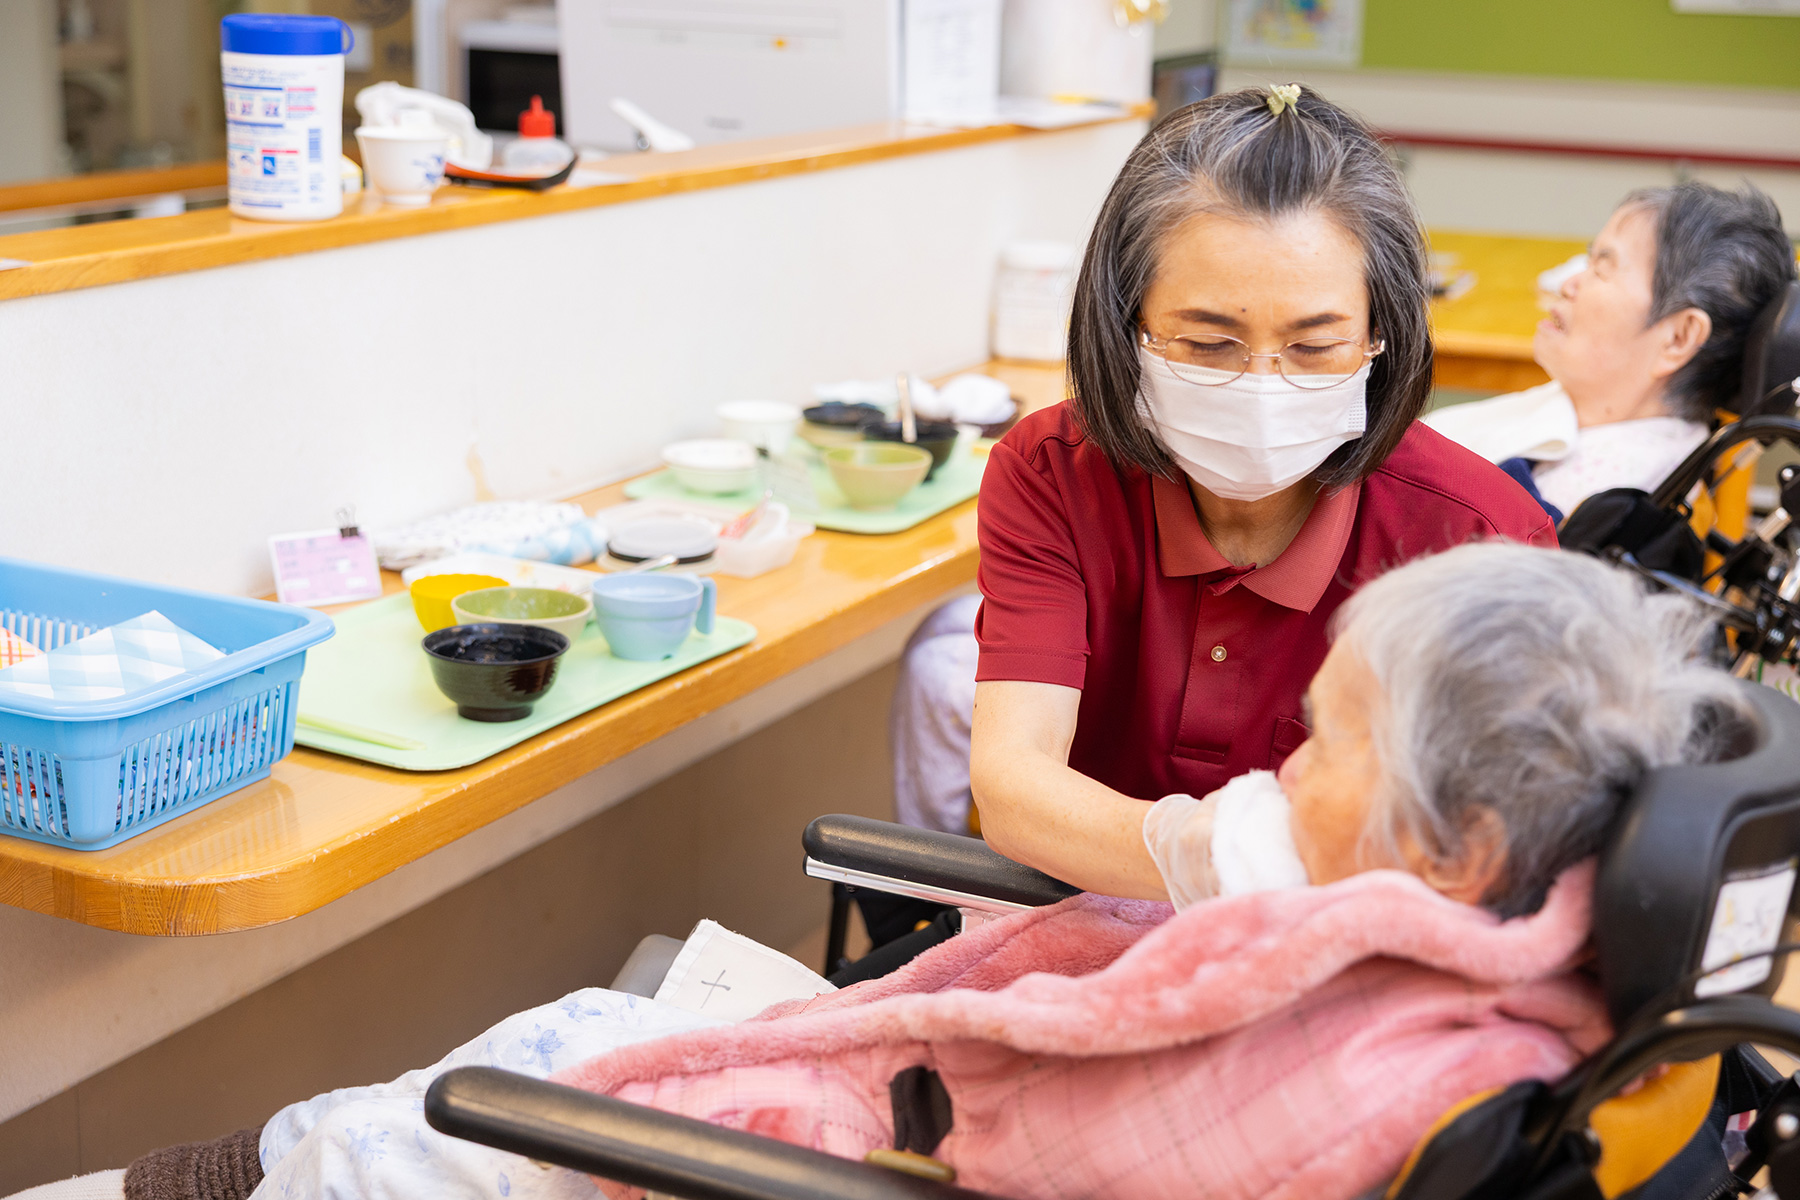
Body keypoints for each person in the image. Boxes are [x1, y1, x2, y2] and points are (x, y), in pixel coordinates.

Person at [37, 542, 1743, 1200]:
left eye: (1330, 738)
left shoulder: (1341, 1052)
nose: (1283, 760)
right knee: (510, 1052)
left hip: (792, 1151)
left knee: (435, 1117)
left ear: (1463, 845)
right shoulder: (1506, 991)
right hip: (876, 1069)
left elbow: (1032, 1134)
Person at [965, 84, 1553, 908]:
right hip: (1079, 929)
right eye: (1209, 342)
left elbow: (1486, 856)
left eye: (1315, 345)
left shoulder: (1479, 539)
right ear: (1124, 322)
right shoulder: (1053, 472)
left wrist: (1266, 883)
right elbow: (1013, 786)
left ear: (1380, 337)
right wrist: (1209, 856)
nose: (1261, 384)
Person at [1425, 182, 1796, 522]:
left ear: (1678, 338)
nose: (1569, 284)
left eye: (1602, 269)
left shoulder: (1589, 508)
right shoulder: (1579, 416)